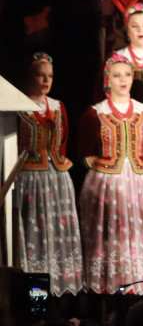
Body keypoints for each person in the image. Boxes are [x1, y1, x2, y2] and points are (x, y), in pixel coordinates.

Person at [78, 54, 143, 294]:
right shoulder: (95, 112)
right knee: (109, 239)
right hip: (107, 183)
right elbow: (85, 149)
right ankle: (108, 295)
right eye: (116, 75)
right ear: (107, 80)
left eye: (127, 75)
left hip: (141, 182)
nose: (123, 80)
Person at [14, 53, 83, 296]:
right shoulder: (17, 105)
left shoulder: (56, 106)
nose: (45, 80)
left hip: (56, 179)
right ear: (27, 75)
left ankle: (59, 297)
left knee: (57, 236)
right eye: (39, 74)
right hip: (29, 179)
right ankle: (35, 297)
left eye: (50, 76)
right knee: (35, 236)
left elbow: (62, 143)